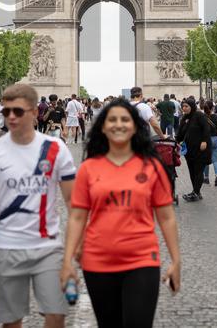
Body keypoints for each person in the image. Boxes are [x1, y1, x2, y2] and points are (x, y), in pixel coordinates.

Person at [61, 98, 181, 327]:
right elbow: (77, 217)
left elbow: (166, 217)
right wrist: (67, 261)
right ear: (103, 126)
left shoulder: (152, 167)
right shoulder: (88, 168)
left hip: (142, 259)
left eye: (125, 119)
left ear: (135, 126)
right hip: (97, 261)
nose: (118, 124)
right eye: (112, 120)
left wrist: (176, 261)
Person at [0, 83, 77, 328]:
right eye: (6, 111)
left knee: (56, 315)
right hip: (5, 246)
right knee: (11, 322)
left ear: (34, 112)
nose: (10, 117)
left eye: (17, 111)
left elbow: (73, 203)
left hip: (48, 247)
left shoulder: (56, 149)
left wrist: (74, 249)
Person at [175, 98, 210, 203]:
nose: (184, 108)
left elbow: (206, 129)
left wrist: (204, 141)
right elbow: (180, 134)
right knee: (192, 171)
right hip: (189, 151)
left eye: (186, 106)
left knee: (198, 171)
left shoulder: (199, 116)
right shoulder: (184, 118)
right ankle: (197, 192)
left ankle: (195, 192)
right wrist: (175, 142)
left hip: (200, 149)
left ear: (192, 106)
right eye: (183, 106)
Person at [201, 100, 217, 188]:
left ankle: (206, 177)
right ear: (213, 108)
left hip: (206, 140)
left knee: (205, 159)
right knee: (215, 160)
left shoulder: (202, 117)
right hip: (216, 139)